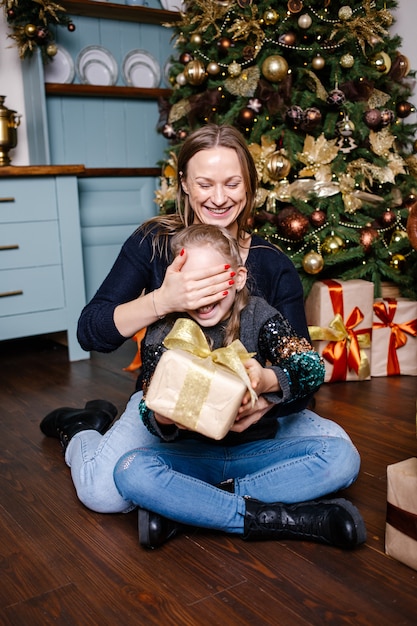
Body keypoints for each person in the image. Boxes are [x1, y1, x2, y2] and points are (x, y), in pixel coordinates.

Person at [40, 124, 363, 544]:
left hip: (257, 415)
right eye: (205, 183)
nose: (218, 197)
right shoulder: (153, 244)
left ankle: (189, 508)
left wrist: (263, 399)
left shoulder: (270, 264)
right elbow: (91, 333)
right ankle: (84, 429)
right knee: (103, 492)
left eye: (232, 183)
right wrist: (163, 300)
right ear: (185, 186)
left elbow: (301, 373)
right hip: (175, 419)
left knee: (342, 456)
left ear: (249, 189)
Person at [113, 224, 365, 550]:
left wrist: (266, 380)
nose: (203, 295)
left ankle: (192, 510)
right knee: (130, 471)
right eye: (193, 283)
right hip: (193, 456)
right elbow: (149, 407)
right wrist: (164, 416)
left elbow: (312, 368)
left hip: (255, 451)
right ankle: (280, 519)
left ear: (238, 278)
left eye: (214, 280)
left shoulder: (258, 314)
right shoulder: (165, 332)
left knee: (342, 457)